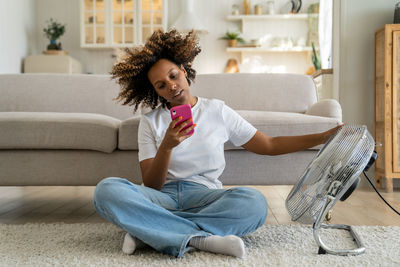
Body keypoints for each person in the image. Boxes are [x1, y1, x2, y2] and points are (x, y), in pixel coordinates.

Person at [93, 29, 342, 258]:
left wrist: (321, 137)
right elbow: (152, 184)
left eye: (173, 75)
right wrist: (167, 146)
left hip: (206, 197)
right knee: (106, 190)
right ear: (156, 91)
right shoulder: (150, 122)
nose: (171, 85)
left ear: (183, 69)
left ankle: (148, 232)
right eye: (161, 85)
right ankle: (202, 239)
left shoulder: (217, 111)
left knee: (254, 203)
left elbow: (269, 144)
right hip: (162, 198)